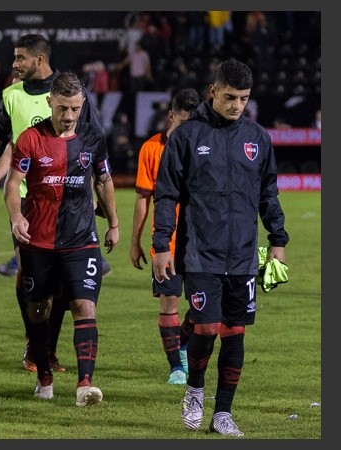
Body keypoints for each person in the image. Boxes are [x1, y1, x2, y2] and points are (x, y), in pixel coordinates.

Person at [152, 59, 289, 436]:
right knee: (208, 326)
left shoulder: (257, 138)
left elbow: (268, 193)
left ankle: (223, 414)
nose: (236, 106)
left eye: (244, 99)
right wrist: (161, 245)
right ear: (213, 91)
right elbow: (166, 195)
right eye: (230, 97)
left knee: (235, 332)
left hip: (243, 253)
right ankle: (194, 391)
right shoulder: (187, 136)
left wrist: (278, 240)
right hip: (200, 252)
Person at [5, 71, 118, 406]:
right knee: (38, 310)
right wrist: (16, 217)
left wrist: (113, 223)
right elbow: (13, 185)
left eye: (75, 109)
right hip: (38, 241)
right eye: (62, 108)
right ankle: (44, 374)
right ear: (49, 102)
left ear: (82, 105)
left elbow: (104, 179)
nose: (68, 116)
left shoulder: (92, 138)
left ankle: (85, 384)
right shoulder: (29, 139)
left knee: (84, 306)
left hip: (81, 239)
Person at [0, 33, 69, 373]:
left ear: (39, 60)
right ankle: (35, 345)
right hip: (27, 201)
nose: (15, 64)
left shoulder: (66, 91)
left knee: (60, 282)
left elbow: (88, 140)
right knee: (31, 276)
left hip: (64, 200)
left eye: (20, 58)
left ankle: (48, 349)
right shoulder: (11, 95)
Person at [129, 87, 200, 385]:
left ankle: (182, 343)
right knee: (169, 303)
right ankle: (176, 367)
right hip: (167, 243)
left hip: (199, 242)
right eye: (183, 123)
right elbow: (144, 197)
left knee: (204, 309)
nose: (188, 130)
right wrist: (135, 240)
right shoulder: (151, 149)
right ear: (171, 116)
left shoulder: (201, 148)